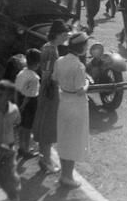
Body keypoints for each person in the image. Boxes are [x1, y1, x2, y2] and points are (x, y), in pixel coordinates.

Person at [54, 31, 91, 188]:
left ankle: (64, 174)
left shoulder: (60, 60)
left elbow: (54, 79)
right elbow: (80, 90)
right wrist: (88, 82)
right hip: (76, 105)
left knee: (64, 138)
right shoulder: (78, 66)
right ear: (81, 47)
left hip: (63, 101)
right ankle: (68, 176)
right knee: (74, 140)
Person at [33, 20, 69, 174]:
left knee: (45, 126)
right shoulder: (51, 50)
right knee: (48, 126)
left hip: (47, 90)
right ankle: (46, 160)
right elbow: (47, 74)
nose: (66, 37)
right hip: (50, 91)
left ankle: (44, 158)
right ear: (57, 34)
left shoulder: (49, 47)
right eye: (64, 34)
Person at [15, 48, 41, 159]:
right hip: (29, 105)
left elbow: (17, 91)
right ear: (38, 63)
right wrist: (23, 107)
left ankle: (21, 147)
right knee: (27, 129)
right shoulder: (34, 78)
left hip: (19, 100)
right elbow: (29, 96)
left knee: (21, 127)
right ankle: (26, 150)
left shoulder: (21, 72)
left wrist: (18, 106)